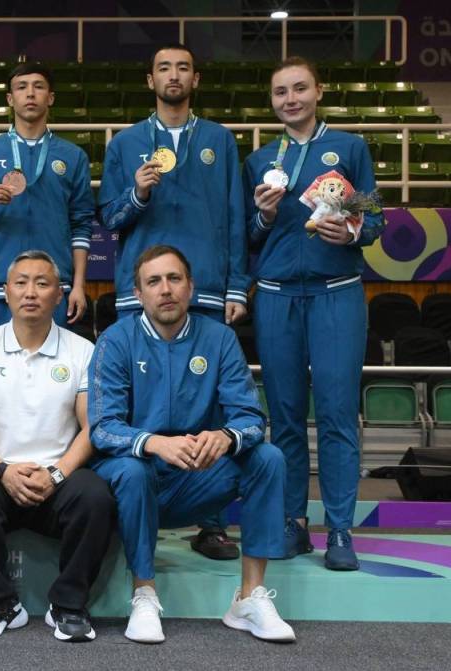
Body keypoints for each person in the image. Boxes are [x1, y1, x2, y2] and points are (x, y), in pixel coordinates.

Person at [89, 245, 295, 644]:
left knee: (267, 458)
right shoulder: (115, 341)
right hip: (135, 480)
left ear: (191, 286)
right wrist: (153, 443)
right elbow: (102, 428)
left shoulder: (219, 338)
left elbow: (252, 419)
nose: (165, 289)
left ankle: (249, 598)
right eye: (154, 282)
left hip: (196, 478)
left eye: (174, 279)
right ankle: (144, 595)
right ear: (138, 293)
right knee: (131, 469)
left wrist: (225, 437)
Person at [97, 44, 248, 559]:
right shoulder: (126, 143)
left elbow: (234, 216)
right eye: (164, 68)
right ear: (151, 79)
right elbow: (109, 218)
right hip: (143, 289)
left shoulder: (220, 141)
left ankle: (210, 523)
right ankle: (140, 507)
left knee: (209, 403)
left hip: (203, 288)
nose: (174, 75)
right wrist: (137, 193)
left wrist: (235, 285)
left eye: (183, 67)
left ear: (195, 78)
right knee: (140, 403)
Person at [243, 57, 385, 571]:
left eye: (300, 88)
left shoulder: (349, 148)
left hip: (336, 292)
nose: (291, 99)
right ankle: (293, 522)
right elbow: (248, 236)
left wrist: (350, 232)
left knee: (336, 414)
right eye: (281, 92)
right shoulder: (259, 160)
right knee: (283, 418)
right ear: (272, 100)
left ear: (319, 91)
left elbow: (375, 220)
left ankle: (341, 529)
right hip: (276, 295)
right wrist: (263, 214)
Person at [0, 251, 112, 643]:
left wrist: (56, 474)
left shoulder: (82, 350)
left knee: (95, 494)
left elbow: (91, 427)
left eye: (42, 284)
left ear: (59, 295)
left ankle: (69, 605)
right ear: (6, 292)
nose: (31, 292)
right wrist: (2, 470)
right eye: (21, 283)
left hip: (58, 479)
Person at [0, 64, 94, 335]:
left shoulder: (73, 156)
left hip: (53, 287)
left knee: (53, 362)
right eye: (21, 87)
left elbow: (81, 226)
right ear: (10, 99)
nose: (30, 93)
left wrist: (79, 285)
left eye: (38, 87)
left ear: (50, 98)